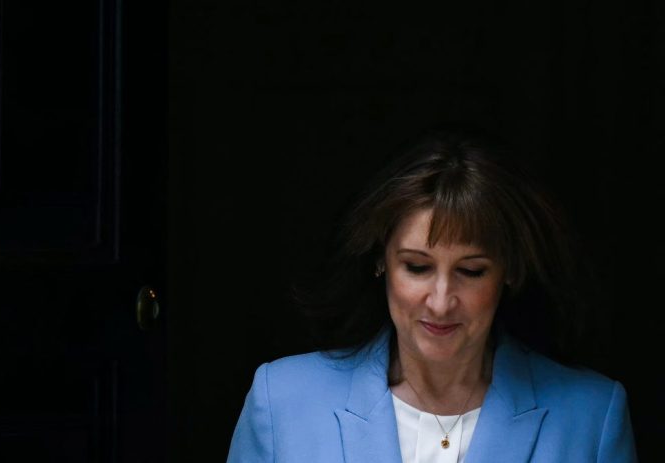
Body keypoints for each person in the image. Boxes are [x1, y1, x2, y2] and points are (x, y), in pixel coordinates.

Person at [226, 128, 637, 462]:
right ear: (380, 260)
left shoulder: (592, 415)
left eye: (471, 271)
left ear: (509, 271)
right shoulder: (281, 400)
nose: (440, 301)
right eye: (417, 267)